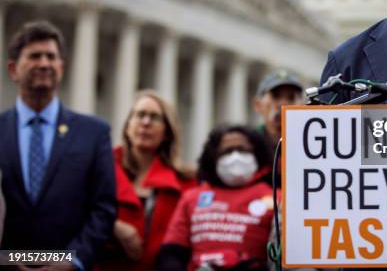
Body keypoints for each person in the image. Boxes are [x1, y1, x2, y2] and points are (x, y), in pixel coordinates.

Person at [0, 20, 116, 270]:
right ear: (13, 69)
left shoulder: (94, 134)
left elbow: (103, 209)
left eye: (51, 57)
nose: (44, 63)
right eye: (34, 56)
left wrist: (72, 260)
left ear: (61, 68)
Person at [95, 90, 196, 270]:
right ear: (127, 126)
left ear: (167, 132)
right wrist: (112, 226)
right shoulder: (97, 169)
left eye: (155, 117)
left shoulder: (187, 183)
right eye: (140, 115)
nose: (146, 122)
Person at [157, 124, 274, 271]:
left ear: (257, 154)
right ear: (214, 158)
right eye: (227, 151)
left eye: (242, 150)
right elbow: (171, 254)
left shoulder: (276, 198)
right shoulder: (191, 198)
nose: (235, 157)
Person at [253, 70, 304, 161]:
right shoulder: (250, 144)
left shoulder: (310, 145)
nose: (283, 103)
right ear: (258, 104)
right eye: (275, 96)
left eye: (291, 97)